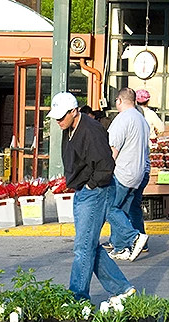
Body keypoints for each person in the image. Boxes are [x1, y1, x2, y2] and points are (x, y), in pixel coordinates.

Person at [49, 92, 136, 304]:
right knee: (90, 245)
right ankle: (122, 288)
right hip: (84, 190)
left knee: (83, 248)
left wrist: (90, 185)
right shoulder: (69, 127)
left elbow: (106, 165)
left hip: (95, 192)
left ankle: (78, 297)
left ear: (74, 111)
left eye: (61, 116)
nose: (58, 121)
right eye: (56, 117)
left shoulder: (91, 130)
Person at [106, 87, 151, 261]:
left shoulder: (122, 119)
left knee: (109, 208)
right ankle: (120, 248)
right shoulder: (141, 119)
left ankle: (134, 237)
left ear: (119, 100)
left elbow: (113, 149)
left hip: (123, 172)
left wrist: (105, 171)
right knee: (124, 209)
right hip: (138, 172)